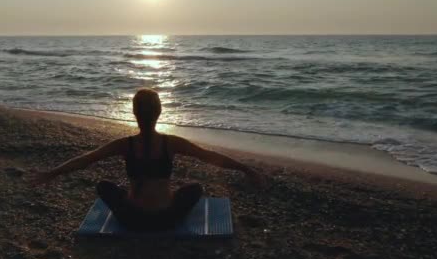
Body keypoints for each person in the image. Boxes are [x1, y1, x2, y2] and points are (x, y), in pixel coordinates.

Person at [31, 88, 268, 232]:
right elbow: (211, 157)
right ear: (159, 113)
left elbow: (85, 160)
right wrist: (247, 170)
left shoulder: (124, 145)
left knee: (103, 185)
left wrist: (50, 174)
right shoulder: (171, 143)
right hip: (167, 220)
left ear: (133, 113)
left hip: (132, 220)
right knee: (196, 188)